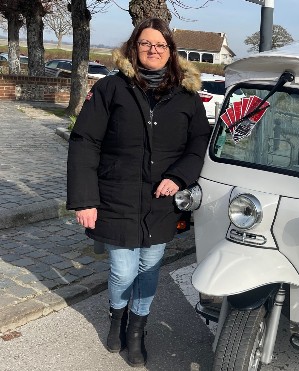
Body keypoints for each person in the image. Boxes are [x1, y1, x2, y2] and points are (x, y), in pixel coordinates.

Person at [66, 17, 210, 367]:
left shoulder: (187, 97)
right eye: (146, 44)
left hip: (161, 201)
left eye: (160, 45)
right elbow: (85, 142)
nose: (153, 50)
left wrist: (179, 177)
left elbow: (199, 144)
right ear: (134, 47)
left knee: (150, 266)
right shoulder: (111, 89)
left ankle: (136, 332)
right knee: (123, 270)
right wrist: (85, 199)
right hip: (116, 196)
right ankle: (118, 317)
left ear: (171, 52)